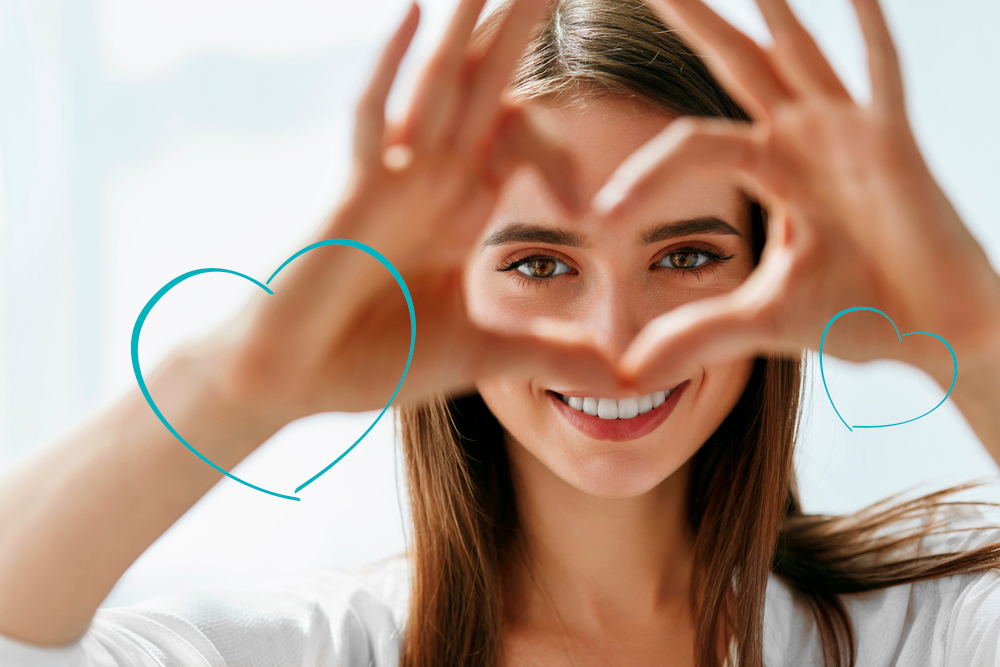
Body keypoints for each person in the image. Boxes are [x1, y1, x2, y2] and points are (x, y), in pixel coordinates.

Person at [1, 0, 999, 664]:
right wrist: (235, 385)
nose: (615, 334)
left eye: (687, 255)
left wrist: (978, 340)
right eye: (538, 264)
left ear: (769, 266)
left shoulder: (922, 632)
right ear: (451, 288)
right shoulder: (307, 647)